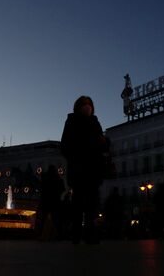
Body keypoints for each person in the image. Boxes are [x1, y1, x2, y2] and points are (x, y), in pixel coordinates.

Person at [60, 95, 107, 244]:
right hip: (79, 169)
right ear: (78, 107)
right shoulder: (72, 121)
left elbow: (102, 143)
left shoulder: (95, 122)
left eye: (90, 104)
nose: (88, 107)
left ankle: (91, 234)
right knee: (78, 203)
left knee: (92, 204)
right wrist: (76, 155)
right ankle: (76, 234)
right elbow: (65, 145)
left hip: (93, 169)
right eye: (84, 104)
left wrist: (105, 142)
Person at [37, 165, 65, 240]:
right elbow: (62, 188)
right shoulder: (57, 177)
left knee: (43, 218)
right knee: (56, 219)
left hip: (45, 200)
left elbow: (40, 187)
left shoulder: (44, 177)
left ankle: (41, 234)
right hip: (55, 201)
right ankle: (58, 235)